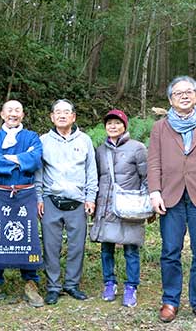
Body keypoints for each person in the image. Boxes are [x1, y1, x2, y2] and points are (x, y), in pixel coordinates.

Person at [0, 100, 44, 308]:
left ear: (23, 115)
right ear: (2, 114)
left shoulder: (32, 137)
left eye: (17, 110)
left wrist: (6, 158)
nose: (13, 114)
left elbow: (35, 160)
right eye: (9, 110)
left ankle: (31, 281)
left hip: (25, 194)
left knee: (29, 236)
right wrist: (19, 160)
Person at [35, 99, 98, 305]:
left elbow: (91, 171)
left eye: (66, 112)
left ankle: (72, 284)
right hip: (51, 199)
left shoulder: (85, 140)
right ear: (52, 117)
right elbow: (39, 172)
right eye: (58, 112)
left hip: (77, 201)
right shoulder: (43, 140)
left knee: (77, 245)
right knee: (50, 245)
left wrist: (90, 197)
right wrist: (38, 197)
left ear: (73, 117)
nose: (62, 115)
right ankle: (53, 286)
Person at [148, 75, 196, 322]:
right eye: (179, 93)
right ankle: (170, 301)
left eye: (189, 91)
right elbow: (154, 161)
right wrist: (154, 191)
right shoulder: (160, 127)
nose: (185, 96)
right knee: (170, 251)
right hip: (170, 196)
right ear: (170, 99)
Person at [90, 109, 148, 308]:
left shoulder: (137, 148)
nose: (113, 126)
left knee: (131, 248)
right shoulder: (100, 150)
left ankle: (131, 286)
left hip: (130, 206)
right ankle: (109, 283)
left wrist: (147, 205)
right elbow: (95, 178)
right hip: (106, 207)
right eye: (109, 123)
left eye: (117, 123)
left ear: (125, 125)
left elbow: (146, 177)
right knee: (107, 248)